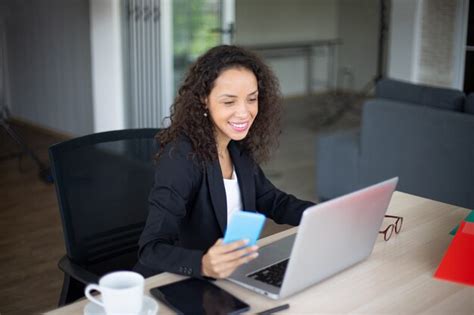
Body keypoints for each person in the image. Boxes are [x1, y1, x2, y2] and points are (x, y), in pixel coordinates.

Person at [134, 45, 315, 279]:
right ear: (203, 100)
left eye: (252, 99)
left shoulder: (236, 147)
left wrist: (325, 216)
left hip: (230, 276)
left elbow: (272, 201)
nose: (244, 112)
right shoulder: (180, 158)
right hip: (178, 282)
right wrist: (202, 264)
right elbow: (151, 249)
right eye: (229, 102)